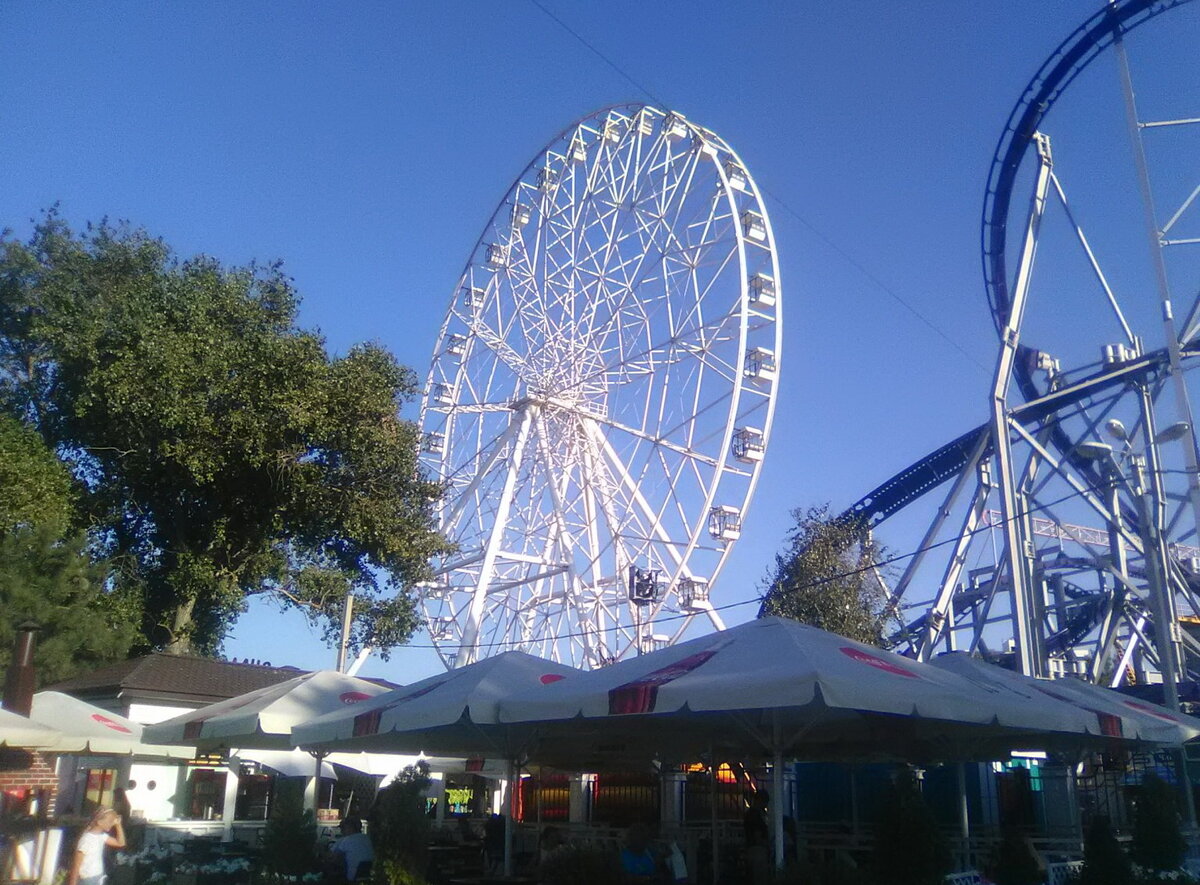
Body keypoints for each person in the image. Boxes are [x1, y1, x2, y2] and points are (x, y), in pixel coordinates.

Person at [68, 807, 125, 885]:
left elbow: (120, 843)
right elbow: (76, 867)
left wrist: (118, 825)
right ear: (99, 822)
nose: (112, 824)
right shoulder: (86, 840)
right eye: (110, 821)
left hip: (98, 877)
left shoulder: (101, 836)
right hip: (87, 880)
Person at [330, 817, 374, 883]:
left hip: (351, 878)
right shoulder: (367, 838)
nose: (341, 831)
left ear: (350, 827)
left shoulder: (347, 840)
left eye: (343, 828)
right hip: (367, 876)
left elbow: (333, 858)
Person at [743, 790, 770, 885]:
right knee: (760, 877)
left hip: (752, 848)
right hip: (757, 849)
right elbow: (757, 834)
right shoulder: (755, 815)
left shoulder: (751, 813)